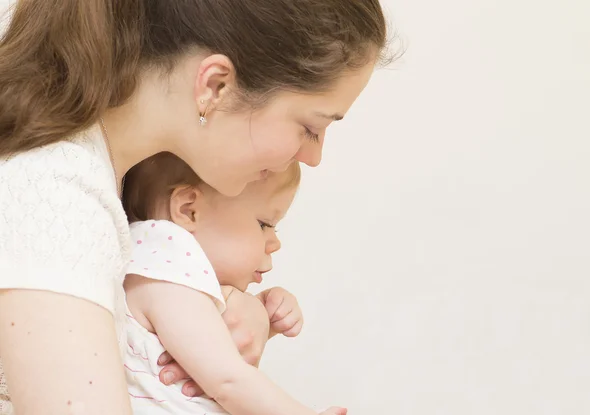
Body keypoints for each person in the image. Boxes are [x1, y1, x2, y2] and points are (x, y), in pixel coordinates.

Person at [0, 0, 390, 414]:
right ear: (215, 86)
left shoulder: (102, 183)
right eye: (310, 128)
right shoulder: (56, 195)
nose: (314, 158)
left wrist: (215, 307)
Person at [122, 153, 318, 414]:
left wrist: (262, 316)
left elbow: (222, 348)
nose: (275, 243)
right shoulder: (162, 266)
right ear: (188, 210)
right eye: (264, 224)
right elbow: (229, 380)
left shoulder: (166, 276)